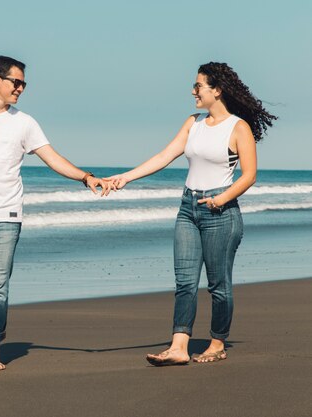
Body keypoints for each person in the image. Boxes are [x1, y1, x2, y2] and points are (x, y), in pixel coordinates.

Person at [0, 55, 113, 371]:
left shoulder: (24, 123)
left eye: (24, 83)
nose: (21, 89)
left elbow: (52, 158)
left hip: (6, 216)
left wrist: (85, 176)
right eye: (17, 82)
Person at [107, 62, 277, 366]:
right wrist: (125, 178)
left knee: (218, 285)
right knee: (184, 282)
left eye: (198, 86)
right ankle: (178, 347)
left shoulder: (238, 128)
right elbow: (164, 155)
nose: (193, 91)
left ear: (217, 90)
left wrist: (221, 199)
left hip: (221, 213)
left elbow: (249, 175)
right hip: (188, 209)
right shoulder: (193, 123)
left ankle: (216, 343)